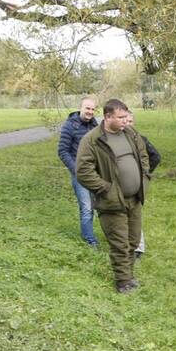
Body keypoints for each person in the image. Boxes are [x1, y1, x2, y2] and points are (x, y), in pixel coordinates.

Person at [75, 98, 151, 293]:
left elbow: (143, 155)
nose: (126, 121)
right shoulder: (92, 140)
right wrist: (105, 188)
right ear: (108, 117)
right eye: (121, 117)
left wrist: (144, 177)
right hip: (111, 202)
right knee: (120, 243)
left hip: (134, 198)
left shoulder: (130, 133)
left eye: (127, 117)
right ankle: (123, 282)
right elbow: (83, 171)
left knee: (133, 241)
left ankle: (129, 275)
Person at [57, 97, 100, 246]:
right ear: (80, 108)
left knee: (98, 205)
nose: (90, 112)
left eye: (93, 109)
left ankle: (96, 233)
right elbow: (62, 151)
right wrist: (76, 170)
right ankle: (90, 240)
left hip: (95, 173)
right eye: (87, 108)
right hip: (80, 175)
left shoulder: (95, 126)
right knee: (86, 207)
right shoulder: (70, 126)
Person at [127, 114, 161, 258]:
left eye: (129, 120)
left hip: (136, 184)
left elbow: (155, 157)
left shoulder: (140, 139)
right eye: (124, 120)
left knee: (135, 214)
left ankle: (138, 248)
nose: (127, 123)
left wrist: (145, 175)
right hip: (121, 184)